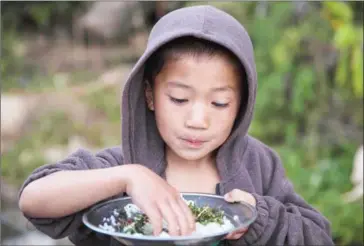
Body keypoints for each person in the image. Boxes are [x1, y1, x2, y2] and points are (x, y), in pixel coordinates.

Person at [18, 5, 334, 246]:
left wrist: (259, 217)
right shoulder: (121, 165)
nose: (197, 121)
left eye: (220, 103)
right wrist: (128, 177)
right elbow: (34, 199)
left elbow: (317, 235)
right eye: (180, 99)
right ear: (150, 95)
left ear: (242, 105)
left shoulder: (258, 165)